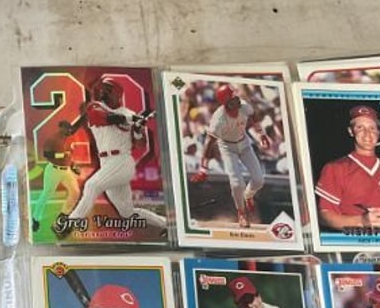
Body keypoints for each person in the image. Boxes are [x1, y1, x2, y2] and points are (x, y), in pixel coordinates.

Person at [56, 76, 167, 235]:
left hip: (122, 161)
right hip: (106, 163)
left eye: (108, 90)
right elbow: (105, 118)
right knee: (127, 213)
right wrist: (132, 119)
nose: (103, 92)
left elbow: (140, 144)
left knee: (92, 186)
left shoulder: (128, 113)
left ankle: (70, 224)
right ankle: (167, 224)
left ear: (117, 94)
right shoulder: (95, 107)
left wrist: (137, 129)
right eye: (102, 89)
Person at [315, 105, 380, 231]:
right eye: (360, 127)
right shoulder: (335, 169)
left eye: (372, 128)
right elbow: (324, 216)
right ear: (351, 131)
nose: (367, 134)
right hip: (355, 239)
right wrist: (362, 221)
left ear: (378, 133)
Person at [194, 85, 269, 228]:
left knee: (259, 180)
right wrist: (203, 168)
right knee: (236, 184)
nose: (237, 98)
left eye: (235, 95)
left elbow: (253, 116)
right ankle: (241, 213)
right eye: (233, 97)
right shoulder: (219, 119)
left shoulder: (244, 106)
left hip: (244, 144)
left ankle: (248, 196)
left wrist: (261, 133)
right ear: (227, 102)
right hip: (227, 148)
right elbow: (209, 143)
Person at [29, 123, 81, 233]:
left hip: (66, 170)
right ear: (61, 128)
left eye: (69, 128)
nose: (68, 130)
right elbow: (46, 154)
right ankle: (35, 219)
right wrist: (62, 155)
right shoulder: (53, 139)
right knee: (47, 194)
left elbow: (69, 156)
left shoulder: (69, 139)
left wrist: (73, 165)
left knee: (75, 192)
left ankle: (62, 217)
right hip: (53, 169)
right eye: (66, 128)